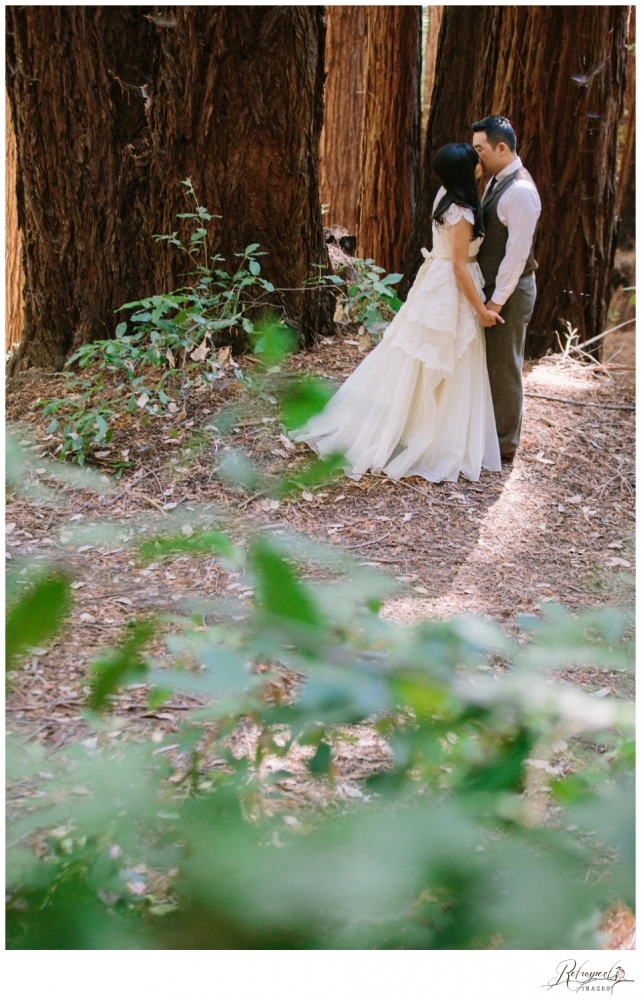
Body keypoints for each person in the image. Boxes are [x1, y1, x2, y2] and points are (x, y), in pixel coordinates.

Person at [291, 143, 503, 484]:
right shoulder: (462, 212)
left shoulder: (444, 196)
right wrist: (481, 310)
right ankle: (427, 437)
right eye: (474, 160)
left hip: (435, 282)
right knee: (437, 361)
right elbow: (460, 269)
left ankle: (421, 428)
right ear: (465, 171)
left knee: (422, 360)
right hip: (450, 290)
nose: (480, 162)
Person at [471, 115, 542, 461]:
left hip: (509, 294)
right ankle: (490, 436)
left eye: (480, 149)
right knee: (492, 364)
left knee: (504, 367)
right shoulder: (498, 180)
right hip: (494, 292)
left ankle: (505, 445)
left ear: (501, 148)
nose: (477, 156)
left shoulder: (521, 192)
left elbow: (516, 256)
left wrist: (496, 304)